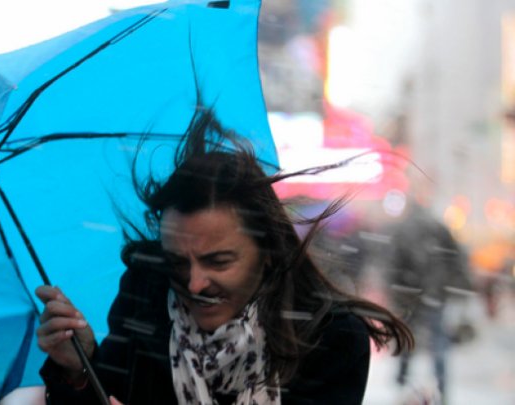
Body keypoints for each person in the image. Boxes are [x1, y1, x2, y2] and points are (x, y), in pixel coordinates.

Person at [35, 111, 413, 404]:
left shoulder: (330, 338)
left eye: (218, 261)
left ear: (266, 252)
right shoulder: (146, 298)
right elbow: (106, 392)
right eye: (178, 262)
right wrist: (78, 369)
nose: (194, 283)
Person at [385, 197, 473, 404]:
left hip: (410, 294)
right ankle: (442, 386)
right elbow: (457, 258)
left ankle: (403, 378)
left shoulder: (404, 229)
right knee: (438, 340)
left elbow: (393, 262)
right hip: (434, 294)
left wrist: (396, 290)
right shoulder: (439, 227)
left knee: (407, 336)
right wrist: (455, 285)